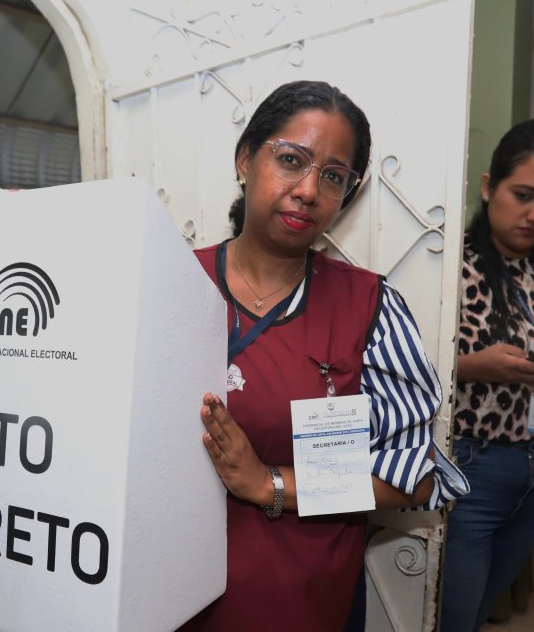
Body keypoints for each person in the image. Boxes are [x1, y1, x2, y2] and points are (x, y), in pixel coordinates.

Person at [184, 80, 469, 631]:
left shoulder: (368, 307)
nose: (309, 189)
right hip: (166, 591)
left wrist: (268, 482)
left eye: (334, 176)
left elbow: (413, 476)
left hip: (298, 600)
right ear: (245, 159)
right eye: (291, 160)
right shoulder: (169, 280)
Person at [441, 119, 534, 632]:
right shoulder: (449, 268)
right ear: (488, 187)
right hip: (471, 465)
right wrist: (472, 366)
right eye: (524, 194)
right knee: (453, 618)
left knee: (478, 612)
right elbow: (398, 369)